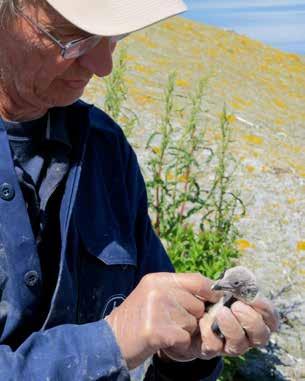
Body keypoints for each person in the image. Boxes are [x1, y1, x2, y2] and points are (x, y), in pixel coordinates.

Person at [0, 0, 279, 379]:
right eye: (74, 38)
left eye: (113, 36)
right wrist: (110, 341)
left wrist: (185, 355)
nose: (103, 67)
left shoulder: (104, 148)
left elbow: (164, 338)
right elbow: (121, 338)